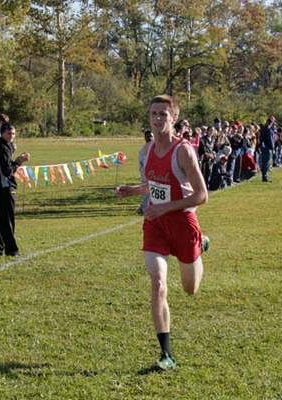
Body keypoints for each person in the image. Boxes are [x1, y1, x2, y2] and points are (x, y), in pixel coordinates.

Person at [116, 94, 209, 370]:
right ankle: (166, 354)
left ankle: (200, 244)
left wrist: (165, 207)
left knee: (190, 289)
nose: (157, 118)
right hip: (155, 223)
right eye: (153, 113)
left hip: (183, 223)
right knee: (157, 283)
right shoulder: (146, 151)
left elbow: (202, 195)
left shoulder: (183, 151)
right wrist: (133, 190)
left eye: (163, 114)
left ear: (174, 118)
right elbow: (155, 184)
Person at [0, 124, 30, 257]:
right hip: (5, 187)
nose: (11, 136)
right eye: (8, 133)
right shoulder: (4, 147)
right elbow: (8, 171)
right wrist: (19, 161)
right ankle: (11, 249)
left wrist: (12, 150)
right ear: (2, 133)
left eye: (13, 134)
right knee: (8, 219)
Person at [136, 130, 154, 215]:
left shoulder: (156, 147)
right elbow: (142, 163)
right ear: (145, 138)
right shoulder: (142, 150)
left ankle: (143, 208)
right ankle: (143, 208)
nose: (150, 138)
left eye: (151, 136)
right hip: (145, 173)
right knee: (146, 190)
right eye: (148, 136)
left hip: (154, 173)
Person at [259, 116, 275, 182]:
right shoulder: (268, 130)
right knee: (266, 162)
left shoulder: (263, 129)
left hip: (263, 147)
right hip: (267, 147)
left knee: (264, 162)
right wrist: (272, 147)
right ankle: (265, 176)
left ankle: (264, 175)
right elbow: (270, 140)